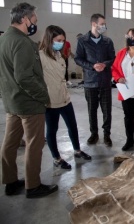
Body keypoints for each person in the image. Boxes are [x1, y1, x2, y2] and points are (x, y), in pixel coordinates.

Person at [0, 2, 58, 198]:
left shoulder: (4, 38)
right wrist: (43, 96)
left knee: (10, 143)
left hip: (11, 102)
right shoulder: (22, 42)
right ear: (25, 19)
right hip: (28, 103)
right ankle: (33, 186)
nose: (35, 22)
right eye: (34, 18)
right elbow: (24, 77)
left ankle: (10, 181)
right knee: (34, 144)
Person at [39, 25, 92, 169]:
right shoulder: (40, 56)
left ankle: (77, 150)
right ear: (49, 39)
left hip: (64, 98)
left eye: (63, 40)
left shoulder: (59, 55)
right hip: (50, 101)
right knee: (52, 130)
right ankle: (56, 158)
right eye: (58, 40)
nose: (61, 43)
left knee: (72, 125)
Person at [74, 14, 115, 146]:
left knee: (107, 110)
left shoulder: (107, 41)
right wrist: (92, 66)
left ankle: (107, 135)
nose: (104, 26)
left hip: (105, 80)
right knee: (92, 110)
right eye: (102, 24)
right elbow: (78, 58)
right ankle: (94, 134)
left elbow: (112, 58)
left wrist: (105, 64)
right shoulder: (82, 41)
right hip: (90, 81)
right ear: (93, 24)